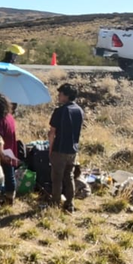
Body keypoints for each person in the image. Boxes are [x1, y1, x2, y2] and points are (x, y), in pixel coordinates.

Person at [48, 83, 84, 213]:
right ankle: (69, 203)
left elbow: (52, 132)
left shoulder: (60, 111)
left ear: (66, 95)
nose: (58, 96)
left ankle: (55, 202)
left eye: (61, 94)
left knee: (57, 178)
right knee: (69, 177)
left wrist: (50, 148)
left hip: (60, 148)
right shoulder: (79, 110)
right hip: (72, 149)